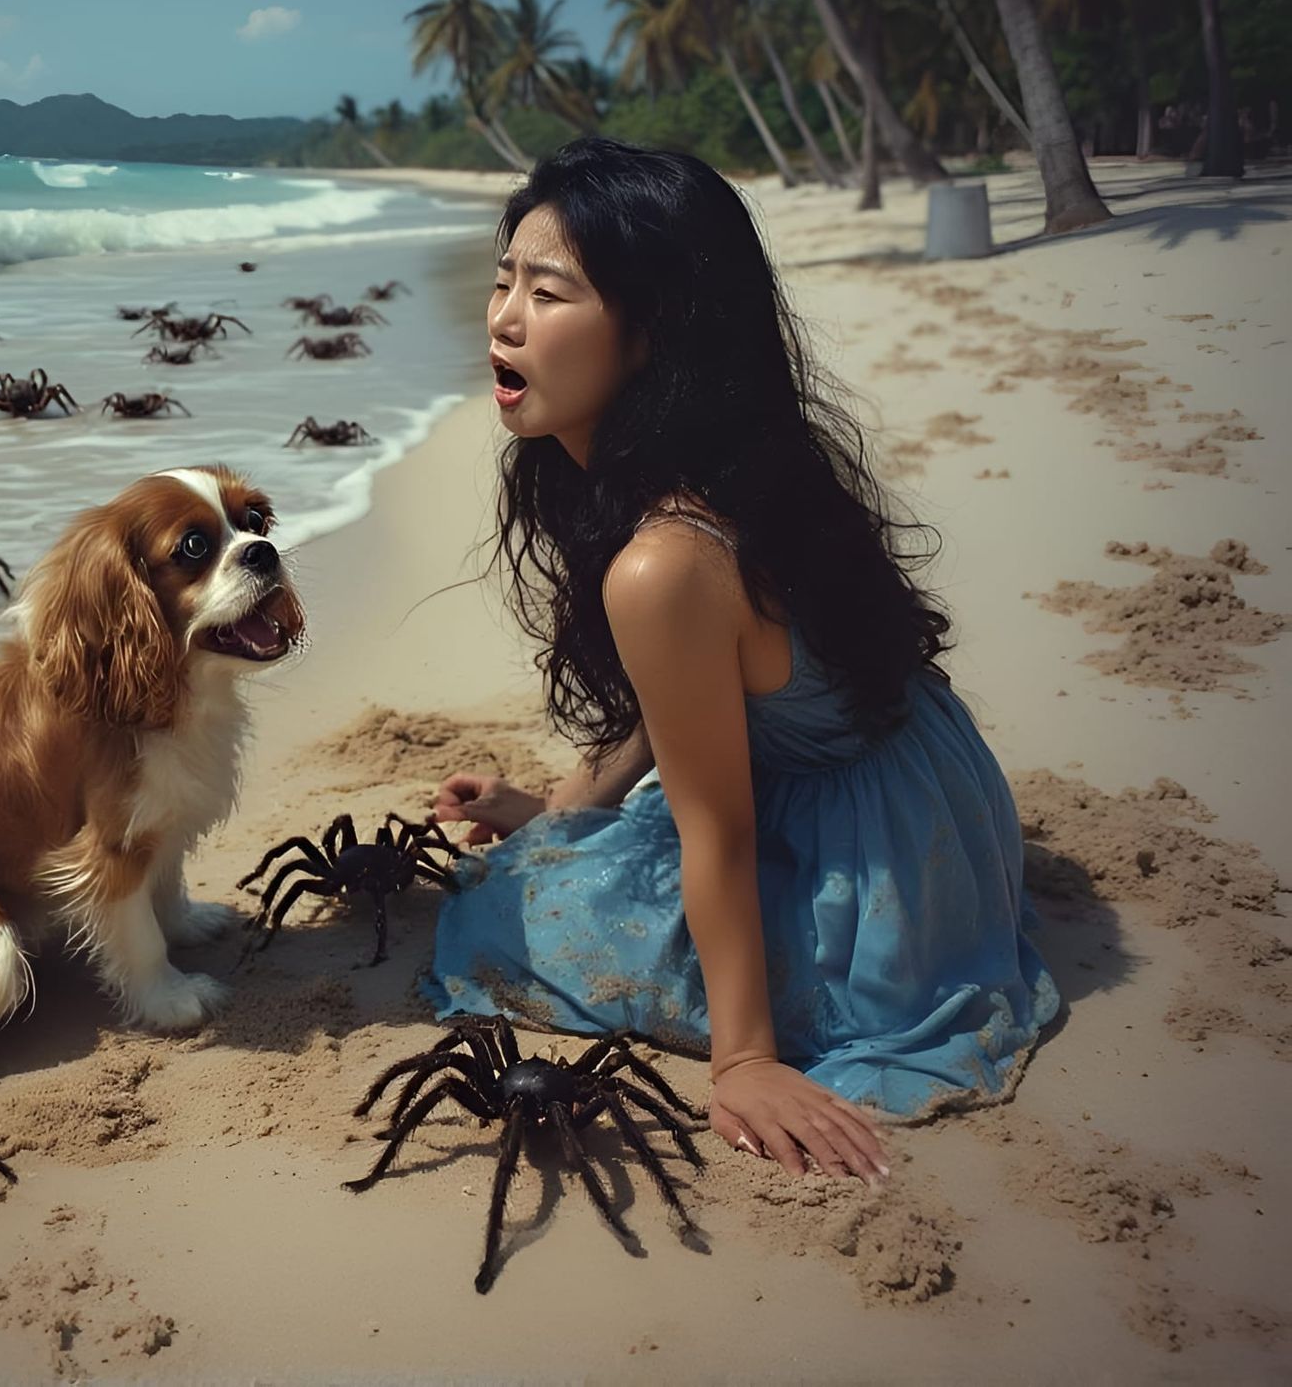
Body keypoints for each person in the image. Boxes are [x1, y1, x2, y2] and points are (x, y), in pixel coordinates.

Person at [427, 137, 1060, 1187]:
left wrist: (745, 1059)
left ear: (653, 329)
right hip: (931, 787)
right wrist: (553, 806)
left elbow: (710, 827)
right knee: (555, 847)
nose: (502, 318)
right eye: (502, 283)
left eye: (547, 292)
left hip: (877, 867)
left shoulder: (664, 561)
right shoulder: (729, 452)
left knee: (501, 919)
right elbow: (678, 702)